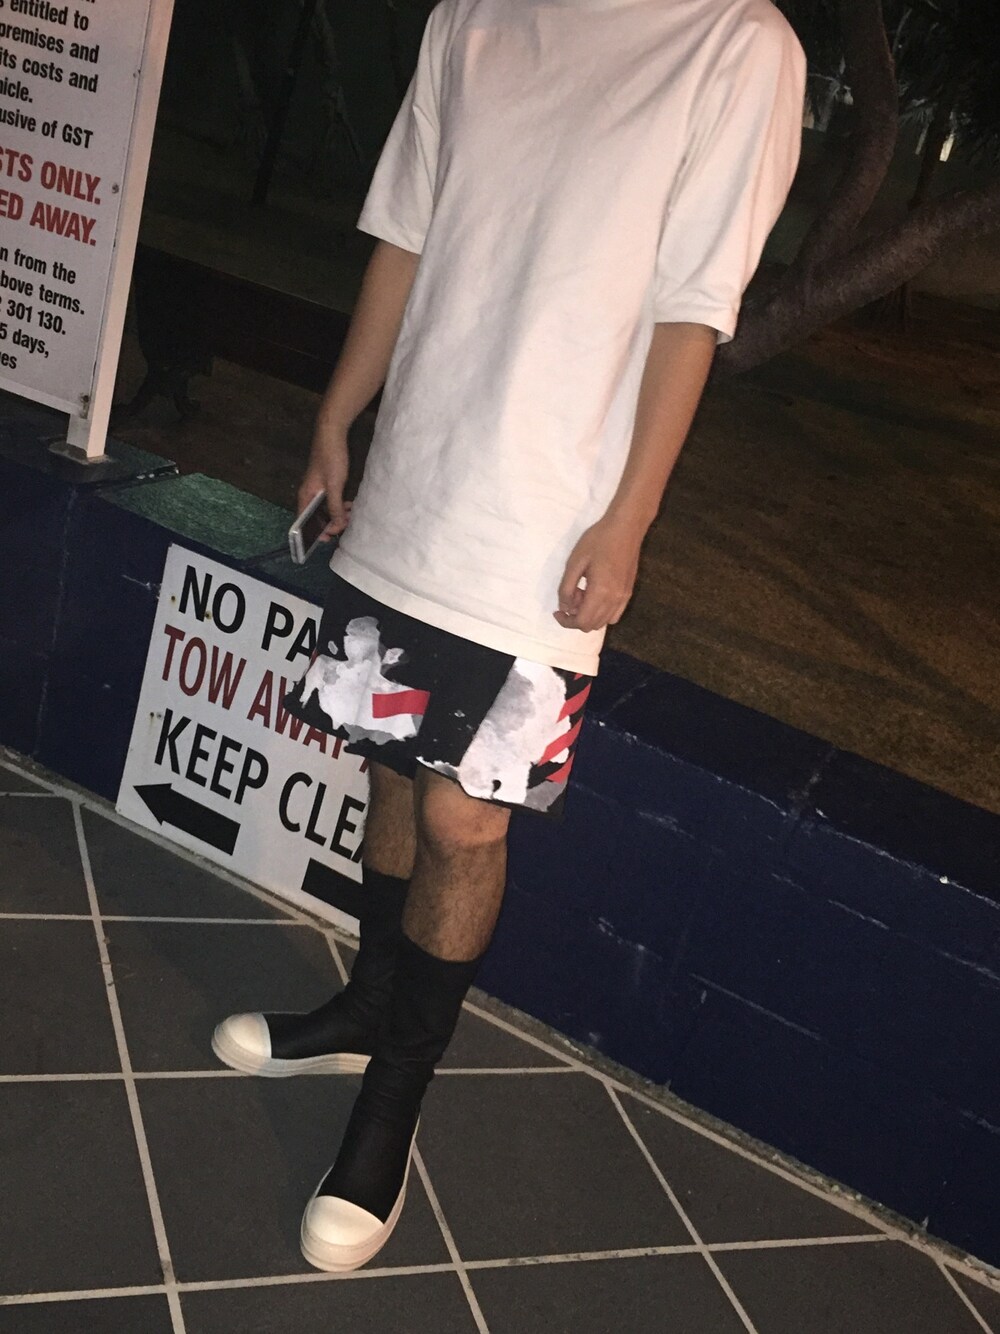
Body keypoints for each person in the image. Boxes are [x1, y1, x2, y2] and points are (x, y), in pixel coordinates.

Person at [212, 0, 806, 1273]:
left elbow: (693, 307)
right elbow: (406, 236)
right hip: (413, 483)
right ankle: (364, 1007)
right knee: (388, 769)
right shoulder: (474, 15)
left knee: (463, 818)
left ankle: (390, 1108)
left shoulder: (735, 43)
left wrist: (630, 516)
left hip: (542, 532)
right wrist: (337, 414)